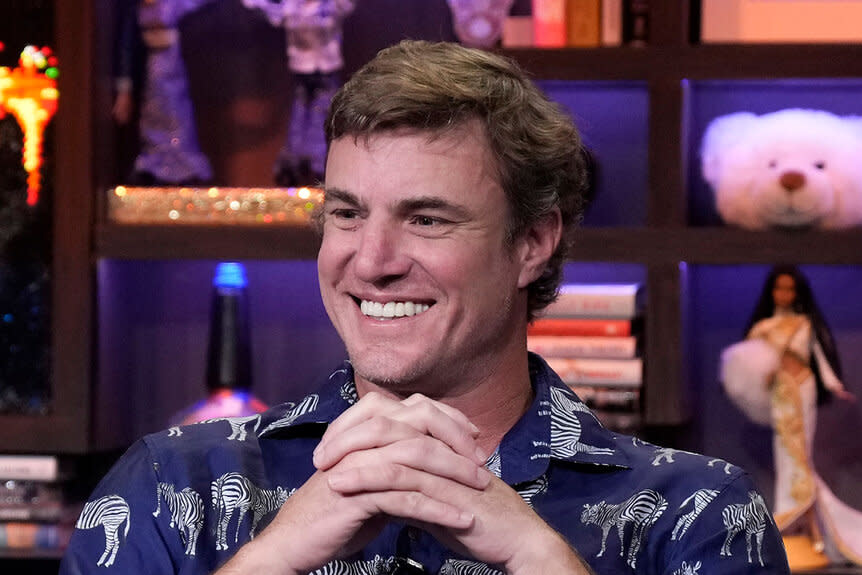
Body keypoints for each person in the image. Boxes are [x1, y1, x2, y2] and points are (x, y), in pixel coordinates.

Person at [60, 40, 789, 574]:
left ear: (533, 240)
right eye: (347, 214)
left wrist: (539, 556)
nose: (371, 262)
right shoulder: (169, 486)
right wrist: (274, 557)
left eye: (427, 219)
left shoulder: (698, 515)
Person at [724, 265, 860, 569]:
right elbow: (745, 365)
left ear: (797, 293)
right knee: (786, 452)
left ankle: (799, 520)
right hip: (781, 392)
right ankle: (793, 518)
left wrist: (835, 386)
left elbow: (820, 360)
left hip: (804, 388)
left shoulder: (804, 324)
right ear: (772, 291)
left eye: (789, 289)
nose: (784, 294)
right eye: (779, 288)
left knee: (801, 454)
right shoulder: (762, 328)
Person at [241, 0, 356, 187]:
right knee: (299, 120)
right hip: (302, 72)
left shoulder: (331, 5)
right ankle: (294, 168)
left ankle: (324, 167)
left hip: (325, 71)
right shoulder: (291, 6)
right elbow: (269, 12)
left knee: (325, 119)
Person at [113, 0, 214, 186]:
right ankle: (155, 165)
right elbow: (127, 46)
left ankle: (181, 166)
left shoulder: (173, 4)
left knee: (177, 113)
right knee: (154, 114)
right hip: (151, 66)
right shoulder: (135, 9)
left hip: (172, 63)